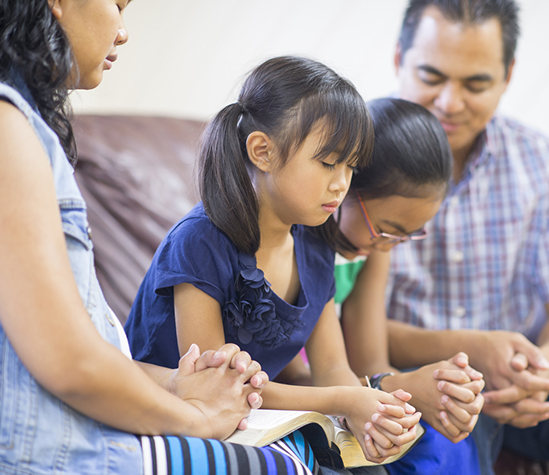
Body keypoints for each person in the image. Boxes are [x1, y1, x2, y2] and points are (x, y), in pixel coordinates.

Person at [0, 1, 328, 474]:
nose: (122, 32)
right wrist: (194, 418)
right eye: (117, 5)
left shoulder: (14, 124)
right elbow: (69, 363)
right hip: (52, 454)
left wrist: (180, 387)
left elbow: (89, 348)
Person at [384, 1, 549, 474]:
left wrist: (533, 374)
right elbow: (344, 328)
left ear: (507, 75)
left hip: (513, 383)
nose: (450, 102)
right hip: (414, 381)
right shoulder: (359, 156)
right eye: (431, 77)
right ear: (398, 60)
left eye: (476, 83)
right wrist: (476, 349)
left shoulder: (538, 162)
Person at [124, 56, 422, 470]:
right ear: (262, 151)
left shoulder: (316, 245)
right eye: (328, 162)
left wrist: (374, 414)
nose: (342, 183)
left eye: (351, 166)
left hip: (253, 420)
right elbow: (215, 387)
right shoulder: (201, 240)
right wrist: (343, 399)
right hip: (170, 416)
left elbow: (332, 365)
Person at [278, 97, 486, 475]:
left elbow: (368, 361)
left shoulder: (374, 248)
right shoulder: (293, 247)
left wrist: (426, 390)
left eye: (407, 236)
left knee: (444, 442)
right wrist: (394, 389)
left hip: (341, 387)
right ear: (343, 183)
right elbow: (290, 373)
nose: (388, 245)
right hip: (296, 395)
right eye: (387, 229)